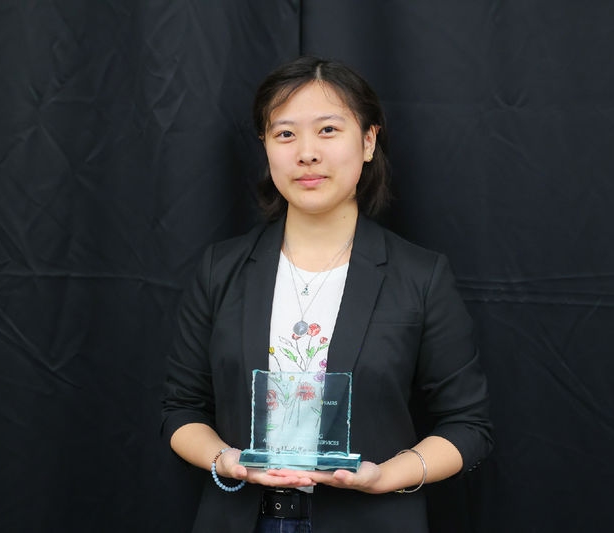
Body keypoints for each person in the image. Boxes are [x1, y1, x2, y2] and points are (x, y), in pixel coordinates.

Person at [161, 56, 493, 533]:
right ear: (266, 147)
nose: (307, 153)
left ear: (368, 141)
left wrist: (384, 477)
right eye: (285, 134)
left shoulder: (420, 275)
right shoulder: (221, 268)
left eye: (329, 130)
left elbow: (469, 426)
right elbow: (181, 409)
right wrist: (228, 460)